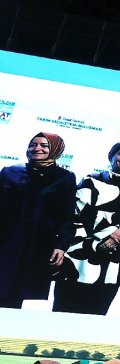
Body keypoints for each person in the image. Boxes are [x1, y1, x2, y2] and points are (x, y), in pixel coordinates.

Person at [54, 140, 120, 315]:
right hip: (81, 256)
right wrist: (110, 232)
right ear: (112, 156)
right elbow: (82, 209)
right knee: (66, 307)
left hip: (116, 259)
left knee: (99, 310)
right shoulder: (92, 180)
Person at [0, 132, 76, 309]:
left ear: (56, 149)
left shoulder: (64, 177)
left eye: (44, 145)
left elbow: (67, 215)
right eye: (33, 144)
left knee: (19, 292)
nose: (37, 148)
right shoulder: (10, 171)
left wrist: (61, 245)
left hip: (38, 244)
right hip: (6, 239)